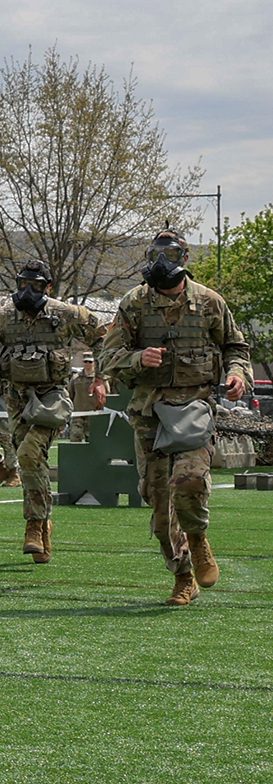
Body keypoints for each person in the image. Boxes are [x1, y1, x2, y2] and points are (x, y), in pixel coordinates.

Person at [98, 230, 251, 605]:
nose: (161, 260)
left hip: (194, 407)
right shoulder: (134, 303)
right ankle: (183, 576)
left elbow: (236, 346)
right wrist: (137, 359)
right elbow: (108, 358)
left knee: (189, 482)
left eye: (169, 253)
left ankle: (198, 541)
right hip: (150, 412)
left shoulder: (210, 302)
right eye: (155, 253)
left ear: (184, 258)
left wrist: (237, 375)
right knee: (158, 499)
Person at [0, 260, 106, 564]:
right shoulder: (3, 317)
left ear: (48, 287)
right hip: (17, 398)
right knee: (30, 460)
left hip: (53, 395)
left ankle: (33, 526)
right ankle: (43, 523)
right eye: (22, 283)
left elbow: (103, 337)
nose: (27, 290)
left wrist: (100, 378)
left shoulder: (66, 314)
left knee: (30, 454)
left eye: (35, 285)